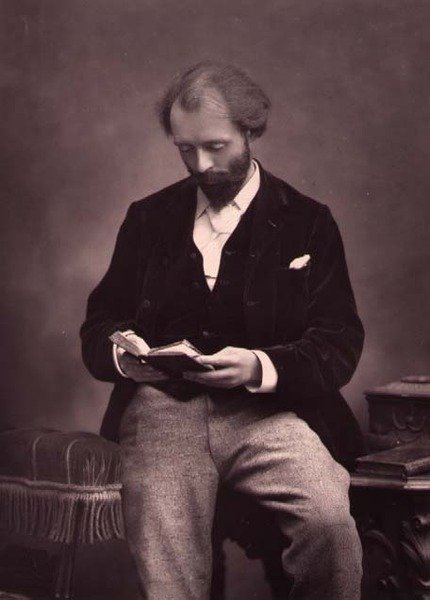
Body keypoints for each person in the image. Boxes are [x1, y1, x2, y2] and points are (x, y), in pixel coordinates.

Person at [80, 61, 365, 600]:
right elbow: (99, 323)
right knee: (168, 564)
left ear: (251, 131)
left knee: (329, 523)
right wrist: (125, 357)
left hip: (269, 416)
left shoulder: (308, 221)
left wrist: (260, 366)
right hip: (161, 414)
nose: (201, 165)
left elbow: (339, 341)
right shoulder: (148, 217)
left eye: (215, 146)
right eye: (185, 149)